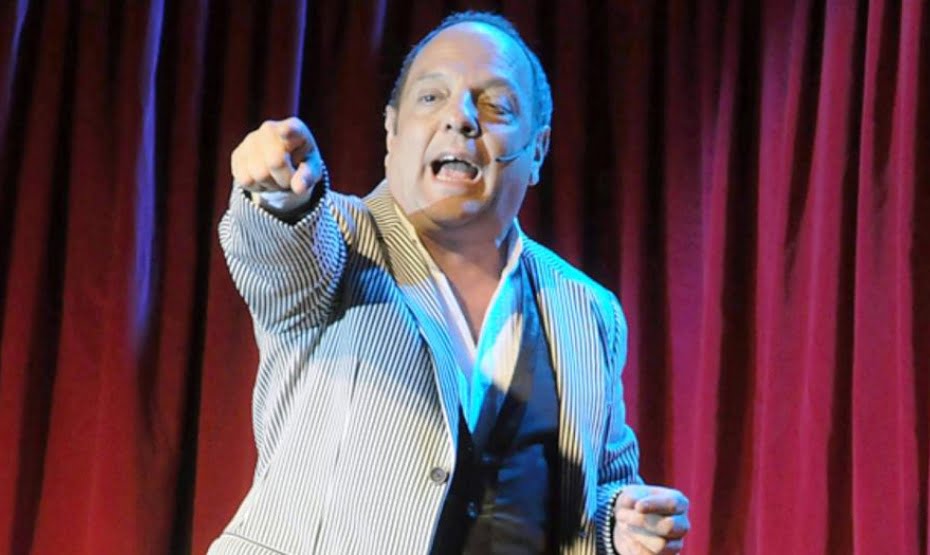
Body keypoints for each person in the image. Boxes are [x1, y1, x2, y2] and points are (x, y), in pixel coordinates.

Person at [212, 10, 689, 555]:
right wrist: (275, 191)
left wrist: (617, 525)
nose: (460, 118)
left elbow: (598, 486)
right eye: (431, 97)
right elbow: (277, 251)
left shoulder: (588, 310)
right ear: (391, 132)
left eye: (496, 106)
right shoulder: (335, 240)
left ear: (537, 149)